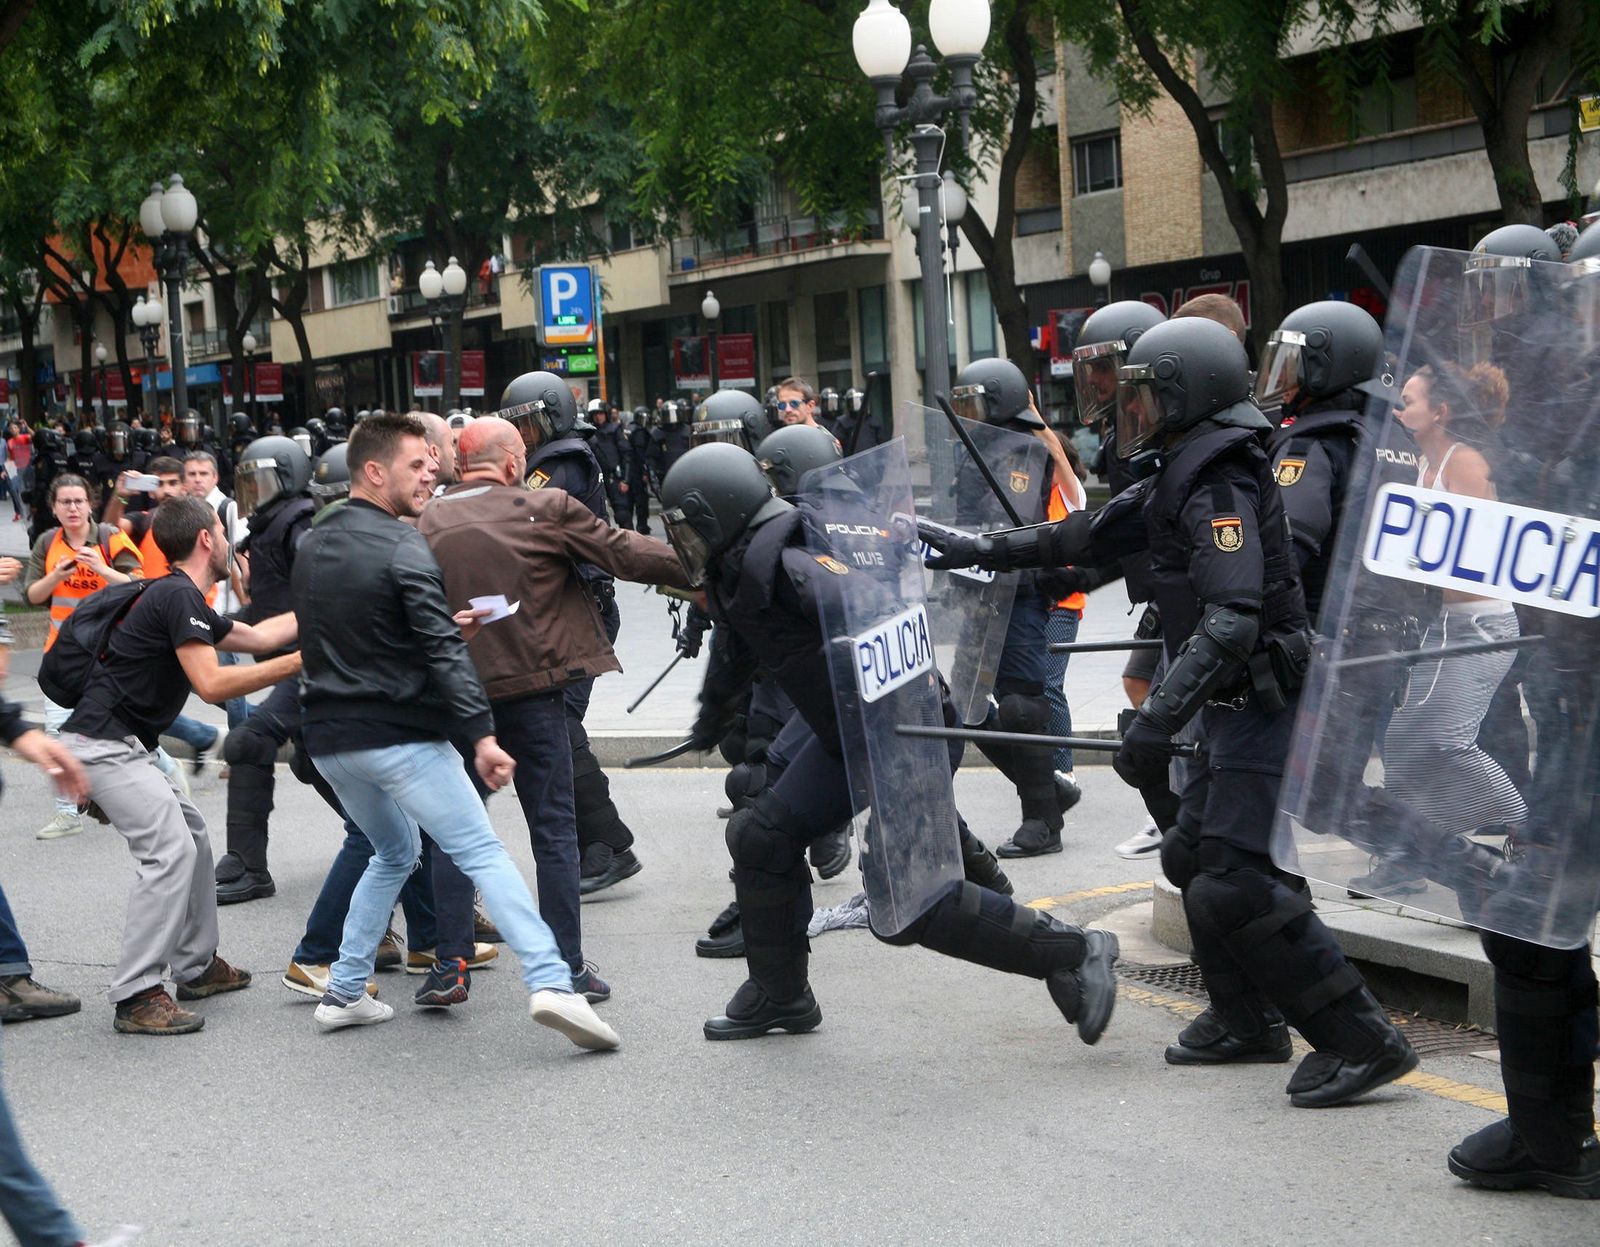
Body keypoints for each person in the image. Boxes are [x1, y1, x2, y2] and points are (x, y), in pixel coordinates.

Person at [925, 316, 1418, 1105]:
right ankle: (1245, 1019)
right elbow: (1079, 533)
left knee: (1234, 878)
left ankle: (1362, 1038)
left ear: (1189, 397)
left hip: (1265, 699)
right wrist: (964, 546)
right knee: (1192, 858)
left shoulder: (1218, 475)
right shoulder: (1183, 467)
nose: (1134, 412)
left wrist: (1157, 720)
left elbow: (1233, 616)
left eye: (1148, 398)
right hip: (1234, 701)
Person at [662, 442, 1118, 1042]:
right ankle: (781, 995)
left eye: (688, 530)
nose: (684, 546)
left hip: (902, 724)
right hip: (849, 729)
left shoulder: (791, 563)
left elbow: (873, 608)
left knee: (914, 904)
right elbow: (739, 640)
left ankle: (1073, 950)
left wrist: (859, 650)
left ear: (717, 514)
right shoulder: (745, 562)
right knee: (761, 835)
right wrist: (711, 715)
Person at [290, 413, 619, 1048]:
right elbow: (440, 650)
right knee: (483, 853)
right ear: (375, 470)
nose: (432, 473)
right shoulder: (402, 543)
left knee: (395, 852)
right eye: (419, 464)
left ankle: (344, 989)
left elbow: (337, 638)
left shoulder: (316, 542)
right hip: (397, 736)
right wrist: (482, 735)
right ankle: (554, 981)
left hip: (329, 739)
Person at [419, 416, 693, 998]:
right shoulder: (543, 508)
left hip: (462, 698)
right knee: (553, 832)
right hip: (538, 691)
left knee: (454, 832)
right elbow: (624, 552)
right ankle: (567, 965)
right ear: (515, 462)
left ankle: (449, 966)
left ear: (461, 464)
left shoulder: (427, 520)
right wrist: (701, 565)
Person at [61, 496, 302, 1034]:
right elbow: (212, 684)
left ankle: (196, 966)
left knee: (192, 837)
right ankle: (136, 993)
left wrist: (325, 610)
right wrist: (305, 660)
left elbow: (260, 637)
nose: (230, 541)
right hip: (103, 744)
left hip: (124, 744)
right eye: (222, 530)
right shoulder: (175, 596)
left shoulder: (182, 598)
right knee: (168, 849)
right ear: (206, 540)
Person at [499, 373, 642, 895]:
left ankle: (607, 845)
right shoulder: (547, 460)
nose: (524, 435)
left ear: (554, 416)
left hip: (583, 611)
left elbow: (520, 520)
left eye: (529, 423)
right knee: (555, 728)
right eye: (515, 427)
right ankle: (596, 847)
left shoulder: (562, 462)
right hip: (567, 609)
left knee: (557, 724)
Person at [948, 358, 1079, 857]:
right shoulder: (974, 451)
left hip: (1021, 593)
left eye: (973, 402)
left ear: (1000, 401)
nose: (966, 413)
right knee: (966, 710)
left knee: (1023, 706)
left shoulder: (1025, 449)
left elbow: (1015, 521)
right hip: (981, 592)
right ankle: (1049, 783)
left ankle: (1042, 821)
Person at [1069, 299, 1170, 858]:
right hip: (1158, 588)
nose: (1098, 382)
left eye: (1106, 368)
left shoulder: (1154, 430)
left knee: (1155, 710)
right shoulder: (1121, 433)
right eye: (1092, 370)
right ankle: (1172, 808)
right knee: (1141, 691)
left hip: (1190, 590)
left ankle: (1183, 807)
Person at [213, 435, 316, 903]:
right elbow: (270, 607)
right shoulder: (270, 526)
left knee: (249, 739)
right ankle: (394, 846)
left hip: (315, 663)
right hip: (296, 661)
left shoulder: (300, 522)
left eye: (263, 480)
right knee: (313, 760)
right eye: (247, 482)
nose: (254, 492)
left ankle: (250, 866)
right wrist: (206, 627)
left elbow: (319, 591)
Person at [22, 474, 142, 840]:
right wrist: (57, 575)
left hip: (108, 654)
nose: (72, 509)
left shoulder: (109, 537)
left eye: (78, 501)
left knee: (122, 730)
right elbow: (31, 596)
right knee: (58, 733)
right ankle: (67, 812)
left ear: (90, 504)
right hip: (62, 656)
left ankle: (165, 771)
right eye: (65, 502)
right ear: (54, 508)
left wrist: (102, 569)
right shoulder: (47, 542)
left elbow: (140, 585)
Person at [102, 457, 222, 772]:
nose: (166, 490)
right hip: (161, 624)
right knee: (161, 692)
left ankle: (246, 738)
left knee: (219, 689)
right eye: (159, 483)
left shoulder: (202, 518)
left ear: (183, 485)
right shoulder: (143, 520)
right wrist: (120, 493)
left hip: (199, 618)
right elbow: (110, 529)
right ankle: (205, 738)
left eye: (173, 482)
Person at [183, 450, 251, 730]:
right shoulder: (183, 508)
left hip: (220, 608)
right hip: (188, 605)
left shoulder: (227, 508)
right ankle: (261, 718)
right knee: (195, 681)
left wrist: (246, 591)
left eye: (203, 474)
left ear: (215, 477)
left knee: (230, 683)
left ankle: (241, 746)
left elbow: (241, 551)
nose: (198, 480)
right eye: (192, 474)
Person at [623, 406, 653, 533]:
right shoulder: (640, 431)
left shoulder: (628, 428)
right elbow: (641, 453)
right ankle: (642, 525)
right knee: (641, 499)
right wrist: (645, 470)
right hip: (637, 469)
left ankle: (628, 526)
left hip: (627, 468)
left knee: (629, 500)